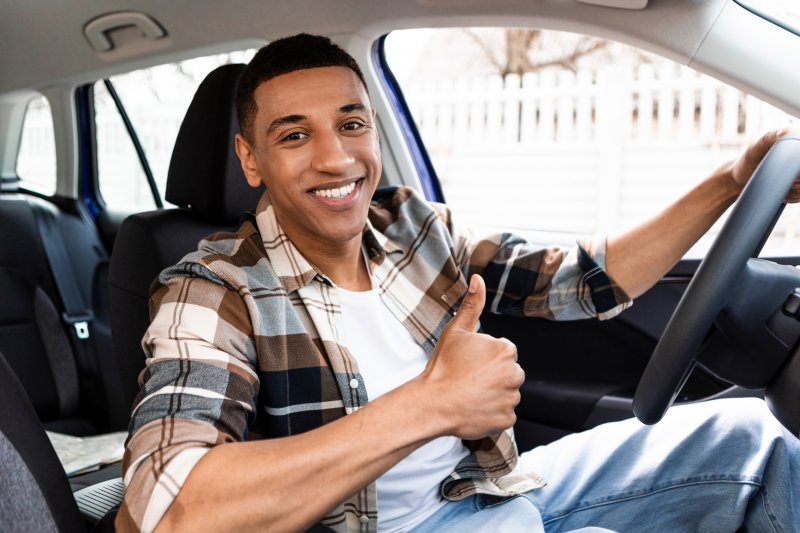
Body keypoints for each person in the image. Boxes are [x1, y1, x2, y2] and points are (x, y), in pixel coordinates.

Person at [116, 34, 800, 532]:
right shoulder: (211, 288)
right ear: (250, 158)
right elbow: (174, 508)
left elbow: (581, 281)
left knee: (756, 436)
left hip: (491, 488)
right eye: (294, 136)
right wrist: (432, 404)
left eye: (351, 123)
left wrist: (730, 184)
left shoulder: (410, 225)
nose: (335, 157)